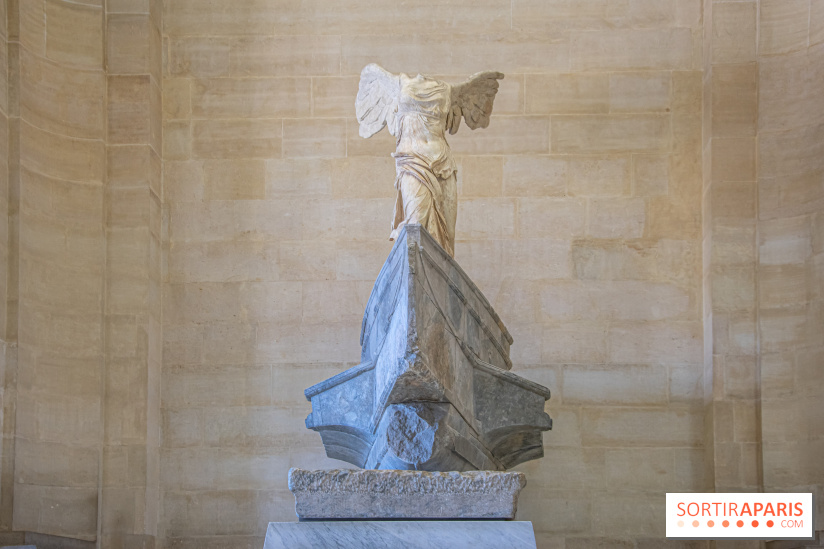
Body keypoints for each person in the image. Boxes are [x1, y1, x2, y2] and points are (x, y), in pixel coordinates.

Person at [356, 64, 504, 257]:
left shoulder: (448, 91)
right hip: (412, 162)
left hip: (443, 163)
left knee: (447, 238)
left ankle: (439, 275)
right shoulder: (397, 85)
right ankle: (412, 271)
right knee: (416, 224)